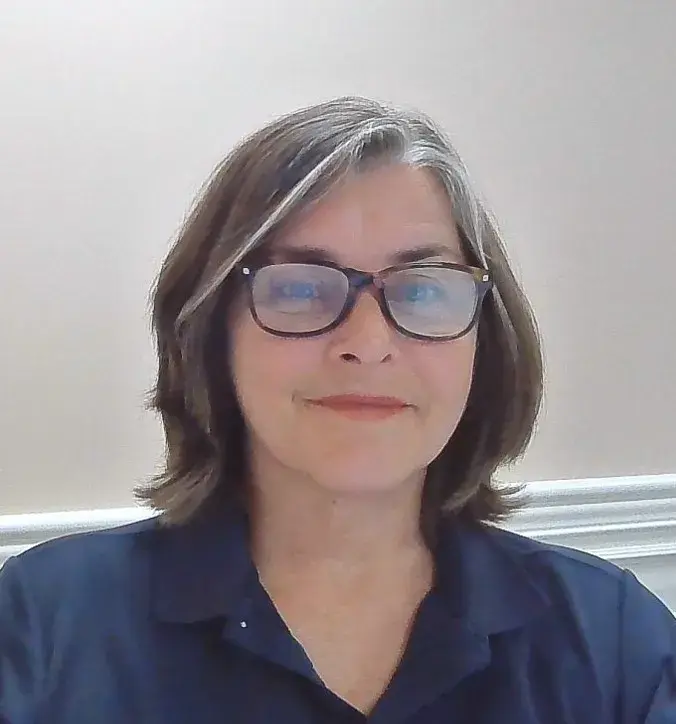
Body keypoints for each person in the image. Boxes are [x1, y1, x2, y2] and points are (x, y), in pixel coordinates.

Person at [1, 96, 674, 724]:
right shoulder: (48, 622)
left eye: (422, 289)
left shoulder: (613, 639)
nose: (368, 344)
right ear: (211, 332)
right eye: (298, 288)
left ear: (484, 341)